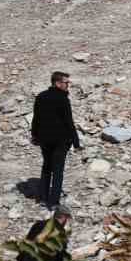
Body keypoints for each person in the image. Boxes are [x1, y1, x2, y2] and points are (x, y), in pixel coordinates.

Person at [31, 71, 81, 210]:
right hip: (61, 141)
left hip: (44, 139)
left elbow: (36, 119)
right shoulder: (63, 99)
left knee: (47, 167)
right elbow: (68, 122)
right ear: (57, 83)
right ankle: (53, 202)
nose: (68, 86)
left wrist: (34, 136)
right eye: (66, 83)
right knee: (58, 170)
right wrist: (76, 142)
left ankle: (42, 197)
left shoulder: (41, 97)